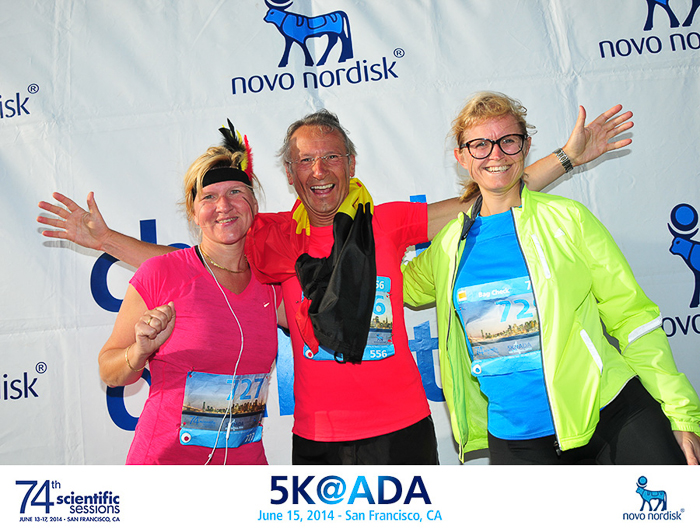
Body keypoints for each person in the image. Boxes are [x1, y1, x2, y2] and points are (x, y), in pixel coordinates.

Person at [38, 104, 634, 464]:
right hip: (319, 439)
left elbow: (483, 198)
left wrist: (566, 157)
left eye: (331, 157)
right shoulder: (269, 235)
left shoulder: (390, 222)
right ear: (290, 173)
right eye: (304, 161)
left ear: (350, 163)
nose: (319, 170)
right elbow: (189, 266)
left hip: (403, 428)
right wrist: (108, 241)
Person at [402, 91, 700, 465]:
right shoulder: (447, 248)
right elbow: (394, 283)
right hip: (518, 439)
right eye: (479, 145)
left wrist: (681, 412)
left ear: (525, 147)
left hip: (610, 413)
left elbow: (633, 318)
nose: (495, 154)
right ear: (461, 157)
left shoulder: (568, 219)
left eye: (508, 141)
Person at [97, 122, 284, 464]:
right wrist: (139, 352)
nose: (223, 205)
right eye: (209, 197)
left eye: (235, 192)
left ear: (254, 204)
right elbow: (109, 371)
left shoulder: (273, 282)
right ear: (194, 213)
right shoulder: (159, 273)